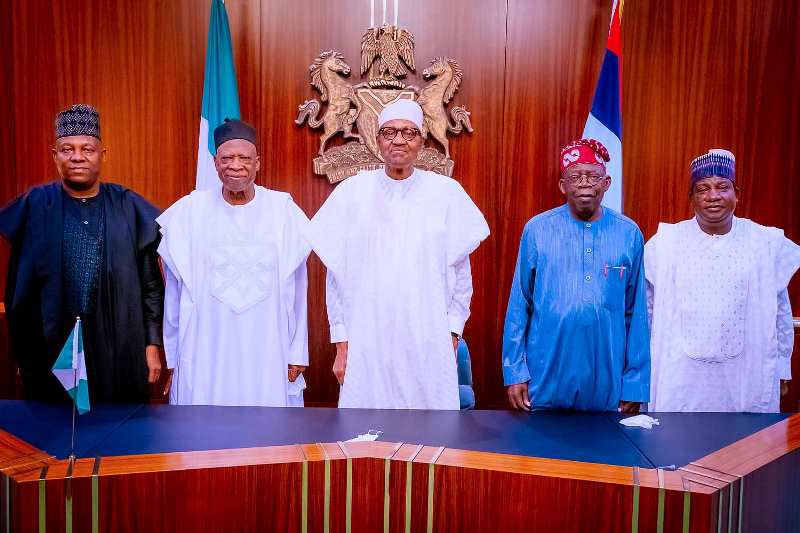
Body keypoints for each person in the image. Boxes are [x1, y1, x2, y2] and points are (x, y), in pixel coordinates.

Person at [307, 99, 489, 409]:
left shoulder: (446, 193)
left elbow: (461, 274)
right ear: (377, 139)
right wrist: (341, 343)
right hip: (368, 337)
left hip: (427, 336)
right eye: (389, 132)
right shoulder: (352, 193)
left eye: (408, 132)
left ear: (422, 140)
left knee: (429, 437)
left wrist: (453, 330)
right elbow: (336, 277)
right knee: (367, 436)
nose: (399, 140)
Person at [0, 104, 164, 403]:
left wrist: (152, 343)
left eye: (87, 148)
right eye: (67, 149)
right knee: (57, 434)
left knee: (118, 433)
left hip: (118, 340)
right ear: (55, 155)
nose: (77, 157)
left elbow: (150, 284)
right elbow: (18, 291)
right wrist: (24, 354)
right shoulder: (35, 206)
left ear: (103, 154)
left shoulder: (127, 206)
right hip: (53, 344)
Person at [158, 119, 311, 406]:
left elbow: (298, 286)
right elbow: (174, 289)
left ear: (258, 164)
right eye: (227, 158)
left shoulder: (283, 210)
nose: (235, 165)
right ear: (215, 163)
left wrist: (297, 351)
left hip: (267, 345)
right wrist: (173, 352)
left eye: (245, 158)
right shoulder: (190, 210)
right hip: (206, 346)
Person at [645, 149, 800, 412]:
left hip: (746, 378)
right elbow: (648, 312)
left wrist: (782, 367)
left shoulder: (765, 243)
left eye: (722, 187)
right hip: (680, 379)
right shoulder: (666, 243)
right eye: (702, 188)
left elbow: (781, 312)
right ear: (691, 198)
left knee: (747, 449)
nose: (713, 196)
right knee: (675, 450)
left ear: (736, 194)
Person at [503, 139, 650, 412]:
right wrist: (514, 371)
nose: (584, 183)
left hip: (607, 377)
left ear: (606, 183)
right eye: (575, 176)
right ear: (563, 185)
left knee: (605, 451)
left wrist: (635, 383)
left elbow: (636, 313)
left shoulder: (629, 234)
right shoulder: (537, 230)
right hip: (544, 373)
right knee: (542, 451)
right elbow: (519, 305)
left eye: (592, 176)